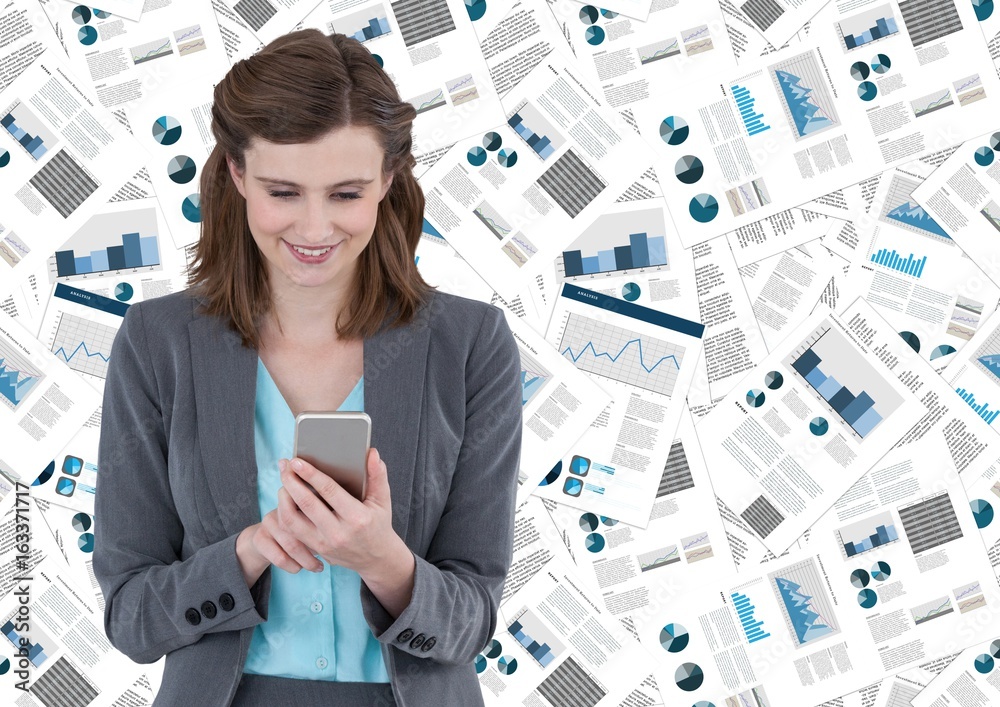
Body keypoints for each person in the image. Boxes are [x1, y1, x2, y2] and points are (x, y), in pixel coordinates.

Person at [94, 29, 523, 706]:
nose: (316, 229)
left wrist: (382, 559)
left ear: (388, 180)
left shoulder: (471, 344)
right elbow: (132, 617)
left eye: (346, 194)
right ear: (237, 173)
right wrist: (253, 549)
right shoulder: (158, 342)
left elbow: (472, 621)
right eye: (284, 191)